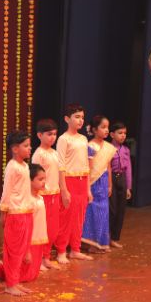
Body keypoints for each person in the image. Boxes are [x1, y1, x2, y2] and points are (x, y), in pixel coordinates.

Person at [0, 163, 48, 285]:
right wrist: (26, 250)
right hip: (28, 241)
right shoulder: (26, 201)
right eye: (40, 179)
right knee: (22, 277)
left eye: (44, 179)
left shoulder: (40, 198)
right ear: (29, 181)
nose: (44, 182)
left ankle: (3, 267)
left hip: (38, 240)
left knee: (32, 276)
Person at [0, 131, 34, 296]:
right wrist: (4, 213)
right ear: (15, 149)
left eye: (29, 145)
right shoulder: (12, 167)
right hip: (15, 213)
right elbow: (7, 191)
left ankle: (15, 281)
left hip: (25, 212)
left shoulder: (24, 166)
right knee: (14, 251)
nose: (29, 148)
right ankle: (10, 284)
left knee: (21, 250)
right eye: (26, 146)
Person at [55, 103, 93, 264]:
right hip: (69, 181)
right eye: (77, 117)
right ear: (67, 119)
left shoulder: (83, 139)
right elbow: (60, 165)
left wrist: (88, 189)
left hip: (82, 182)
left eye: (82, 117)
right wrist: (64, 190)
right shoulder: (63, 139)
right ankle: (61, 251)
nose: (80, 120)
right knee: (66, 218)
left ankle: (75, 249)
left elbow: (86, 165)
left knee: (79, 218)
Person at [81, 115, 116, 252]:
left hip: (104, 183)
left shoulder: (108, 147)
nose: (106, 130)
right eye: (103, 127)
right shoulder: (91, 146)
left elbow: (108, 167)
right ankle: (91, 244)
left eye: (107, 127)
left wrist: (110, 185)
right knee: (93, 213)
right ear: (94, 130)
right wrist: (88, 188)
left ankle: (101, 243)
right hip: (93, 184)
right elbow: (88, 169)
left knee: (103, 214)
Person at [31, 119, 61, 269]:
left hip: (55, 194)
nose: (52, 137)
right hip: (43, 196)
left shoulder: (55, 153)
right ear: (39, 135)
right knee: (41, 228)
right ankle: (38, 259)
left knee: (53, 229)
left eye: (55, 134)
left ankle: (46, 257)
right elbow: (35, 178)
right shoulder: (39, 154)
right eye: (49, 134)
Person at [108, 121, 132, 248]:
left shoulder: (126, 150)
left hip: (122, 179)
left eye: (124, 133)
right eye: (120, 133)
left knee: (121, 210)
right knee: (111, 209)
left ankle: (114, 238)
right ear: (112, 134)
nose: (123, 135)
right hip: (111, 178)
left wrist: (128, 187)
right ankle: (106, 237)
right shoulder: (108, 149)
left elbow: (128, 170)